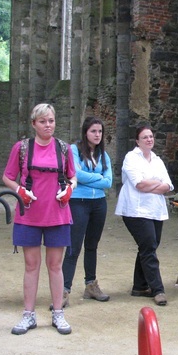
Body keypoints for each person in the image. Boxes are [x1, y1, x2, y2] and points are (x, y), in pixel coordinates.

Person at [2, 103, 77, 335]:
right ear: (34, 123)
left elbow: (72, 178)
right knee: (31, 265)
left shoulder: (64, 149)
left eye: (51, 121)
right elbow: (7, 176)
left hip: (57, 213)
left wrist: (69, 190)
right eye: (43, 121)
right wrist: (19, 190)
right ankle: (28, 315)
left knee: (55, 265)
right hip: (29, 213)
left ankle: (58, 314)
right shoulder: (22, 148)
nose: (48, 125)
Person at [115, 126, 173, 306]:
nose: (149, 139)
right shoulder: (131, 158)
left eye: (151, 136)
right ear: (137, 141)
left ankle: (140, 286)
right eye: (144, 137)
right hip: (135, 210)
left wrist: (154, 184)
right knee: (148, 247)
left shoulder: (157, 160)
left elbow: (169, 186)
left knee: (149, 246)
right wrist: (158, 184)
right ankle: (158, 290)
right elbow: (138, 184)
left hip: (155, 210)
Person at [60, 116, 112, 308]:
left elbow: (108, 182)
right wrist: (95, 176)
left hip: (99, 204)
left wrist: (87, 178)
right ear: (85, 132)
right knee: (73, 246)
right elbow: (75, 174)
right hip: (78, 202)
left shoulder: (103, 155)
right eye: (93, 131)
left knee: (92, 245)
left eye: (100, 131)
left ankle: (90, 285)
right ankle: (64, 291)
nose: (97, 135)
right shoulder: (74, 150)